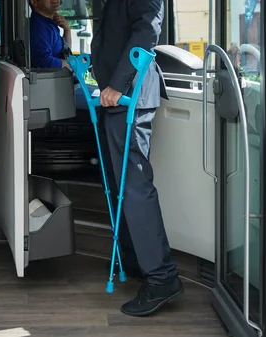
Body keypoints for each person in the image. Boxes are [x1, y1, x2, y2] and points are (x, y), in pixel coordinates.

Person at [90, 0, 184, 316]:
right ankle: (135, 261)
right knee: (121, 187)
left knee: (134, 189)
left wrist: (118, 83)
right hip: (115, 98)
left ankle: (162, 278)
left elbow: (147, 29)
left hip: (129, 95)